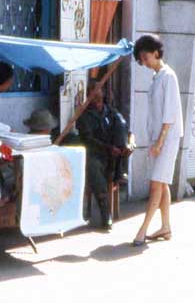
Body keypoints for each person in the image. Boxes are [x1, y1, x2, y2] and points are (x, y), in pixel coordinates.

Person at [131, 35, 184, 246]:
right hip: (159, 138)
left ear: (156, 52)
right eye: (141, 59)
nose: (144, 62)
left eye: (145, 57)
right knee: (161, 183)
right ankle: (165, 226)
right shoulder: (157, 77)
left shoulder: (168, 76)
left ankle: (142, 230)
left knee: (156, 184)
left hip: (166, 139)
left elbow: (169, 115)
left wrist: (160, 142)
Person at [76, 81, 132, 228]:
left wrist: (128, 144)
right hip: (97, 155)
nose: (94, 93)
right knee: (93, 166)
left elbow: (128, 131)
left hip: (115, 157)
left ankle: (120, 171)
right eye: (91, 91)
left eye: (97, 89)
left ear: (104, 93)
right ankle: (105, 212)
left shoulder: (112, 112)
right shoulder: (84, 116)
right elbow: (87, 139)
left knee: (120, 125)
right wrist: (108, 148)